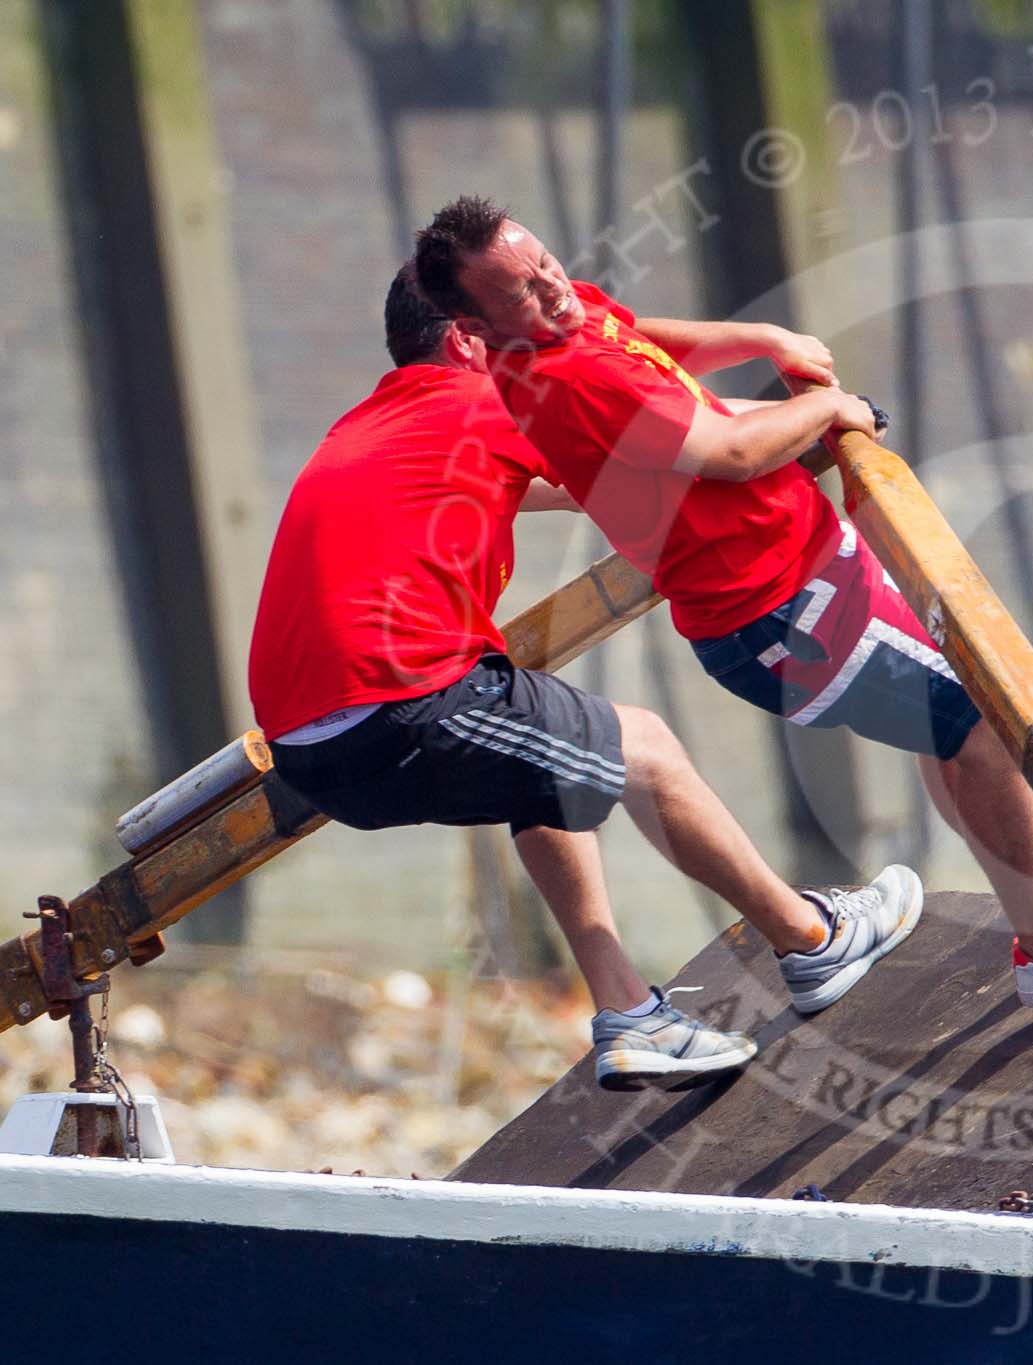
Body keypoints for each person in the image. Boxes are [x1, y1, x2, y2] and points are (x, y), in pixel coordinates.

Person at [411, 197, 1033, 1008]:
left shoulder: (567, 319)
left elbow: (636, 333)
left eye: (542, 262)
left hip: (814, 574)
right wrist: (827, 407)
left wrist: (764, 339)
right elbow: (729, 452)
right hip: (784, 615)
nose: (551, 290)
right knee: (979, 724)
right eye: (519, 293)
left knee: (951, 726)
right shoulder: (562, 379)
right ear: (477, 327)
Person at [246, 267, 922, 1090]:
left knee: (551, 779)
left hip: (306, 747)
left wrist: (768, 402)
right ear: (467, 338)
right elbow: (691, 432)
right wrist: (830, 413)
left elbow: (589, 463)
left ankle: (631, 1014)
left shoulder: (383, 425)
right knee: (648, 746)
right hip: (398, 704)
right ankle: (814, 941)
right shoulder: (488, 401)